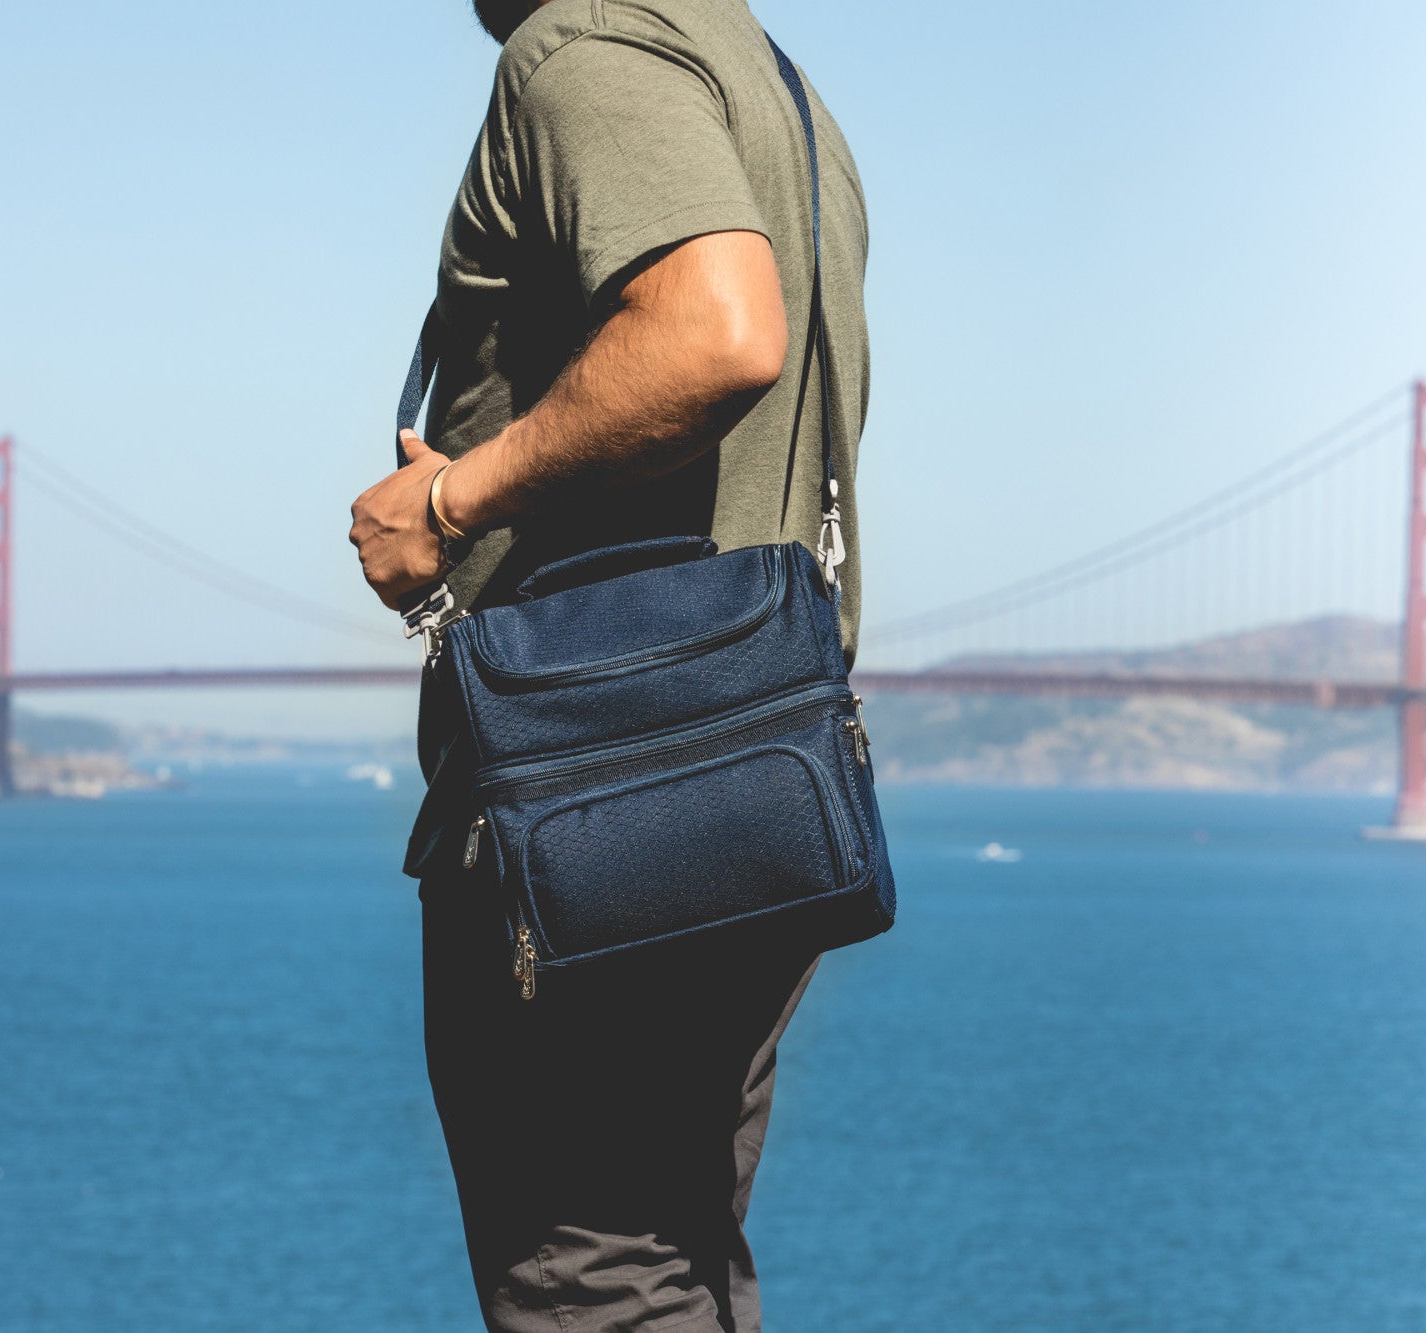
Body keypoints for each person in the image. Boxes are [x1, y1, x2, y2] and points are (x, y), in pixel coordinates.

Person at [349, 0, 869, 1327]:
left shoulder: (589, 52)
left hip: (594, 812)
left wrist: (454, 500)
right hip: (758, 793)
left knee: (593, 1282)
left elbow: (717, 329)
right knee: (674, 1255)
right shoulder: (774, 83)